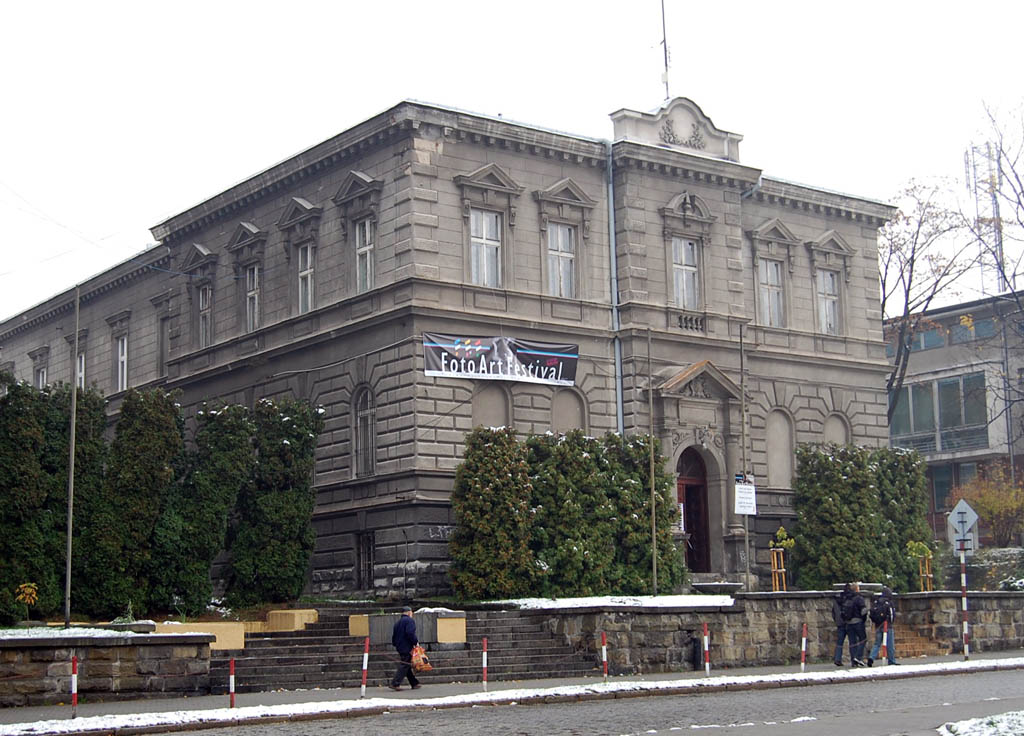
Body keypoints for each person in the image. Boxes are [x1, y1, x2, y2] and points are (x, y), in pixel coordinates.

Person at [389, 605, 421, 691]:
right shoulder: (409, 621)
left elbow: (394, 636)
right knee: (405, 664)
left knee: (406, 664)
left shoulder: (397, 623)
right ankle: (395, 683)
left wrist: (395, 644)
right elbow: (410, 633)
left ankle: (414, 683)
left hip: (399, 646)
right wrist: (415, 642)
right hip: (407, 646)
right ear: (409, 612)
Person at [867, 586, 898, 666]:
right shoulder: (889, 603)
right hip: (887, 626)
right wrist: (891, 622)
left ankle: (871, 657)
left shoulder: (877, 602)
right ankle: (891, 660)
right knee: (890, 644)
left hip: (878, 626)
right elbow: (892, 615)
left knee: (877, 643)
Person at [845, 582, 869, 667]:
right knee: (863, 639)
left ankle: (853, 661)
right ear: (857, 589)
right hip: (858, 622)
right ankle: (858, 657)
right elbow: (863, 611)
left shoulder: (847, 598)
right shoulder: (859, 598)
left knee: (852, 642)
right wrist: (863, 619)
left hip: (848, 623)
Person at [832, 583, 853, 666]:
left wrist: (837, 620)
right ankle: (854, 659)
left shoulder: (837, 599)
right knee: (852, 641)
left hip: (840, 622)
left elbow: (833, 612)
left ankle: (837, 659)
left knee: (839, 642)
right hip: (849, 622)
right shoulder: (851, 598)